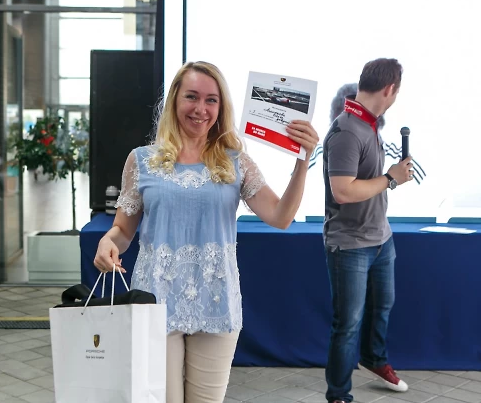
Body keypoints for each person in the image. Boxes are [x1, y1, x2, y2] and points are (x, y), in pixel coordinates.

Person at [93, 61, 319, 403]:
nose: (201, 108)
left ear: (220, 107)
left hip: (216, 301)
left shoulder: (236, 162)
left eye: (211, 100)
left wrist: (303, 161)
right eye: (192, 97)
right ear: (174, 100)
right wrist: (107, 242)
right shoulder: (141, 161)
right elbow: (122, 231)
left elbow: (281, 216)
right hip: (154, 301)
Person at [322, 58, 413, 403]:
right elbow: (343, 191)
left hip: (381, 239)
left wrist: (390, 177)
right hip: (350, 246)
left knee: (382, 307)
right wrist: (390, 178)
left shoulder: (368, 124)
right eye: (397, 91)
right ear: (389, 89)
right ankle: (338, 395)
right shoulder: (347, 130)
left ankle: (374, 359)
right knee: (347, 325)